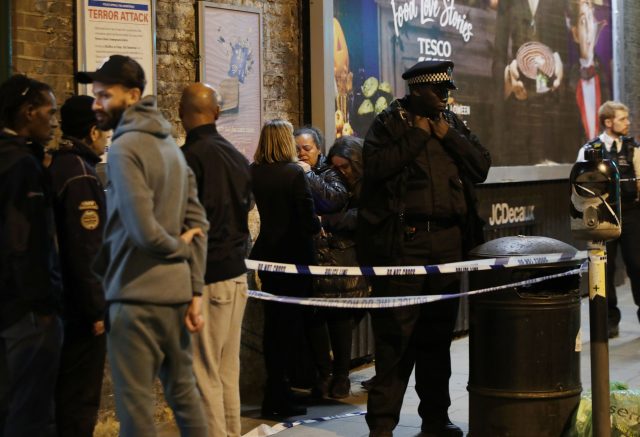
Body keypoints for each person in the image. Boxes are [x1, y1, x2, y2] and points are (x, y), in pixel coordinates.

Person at [75, 54, 210, 436]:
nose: (96, 104)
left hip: (134, 298)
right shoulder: (170, 146)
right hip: (175, 296)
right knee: (186, 398)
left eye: (104, 95)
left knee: (135, 411)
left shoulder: (124, 147)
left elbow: (143, 231)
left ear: (133, 95)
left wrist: (179, 248)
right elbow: (198, 223)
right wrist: (195, 290)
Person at [357, 60, 491, 437]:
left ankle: (435, 420)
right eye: (439, 91)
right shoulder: (390, 123)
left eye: (448, 90)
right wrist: (416, 136)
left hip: (449, 244)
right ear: (417, 91)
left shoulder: (452, 123)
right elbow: (376, 169)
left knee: (437, 338)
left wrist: (448, 135)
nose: (446, 96)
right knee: (396, 340)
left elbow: (482, 166)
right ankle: (382, 427)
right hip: (405, 245)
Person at [179, 83, 252, 437]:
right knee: (227, 370)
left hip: (206, 277)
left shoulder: (187, 158)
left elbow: (187, 222)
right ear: (218, 114)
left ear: (181, 114)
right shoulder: (236, 156)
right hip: (238, 274)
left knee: (203, 373)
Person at [0, 74, 63, 436]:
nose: (53, 121)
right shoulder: (22, 167)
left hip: (9, 306)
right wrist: (44, 304)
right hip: (27, 312)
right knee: (32, 414)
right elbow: (26, 243)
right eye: (48, 112)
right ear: (27, 112)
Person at [250, 119, 321, 418]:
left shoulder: (255, 171)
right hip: (294, 257)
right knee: (290, 329)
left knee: (273, 328)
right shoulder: (294, 173)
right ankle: (280, 396)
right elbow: (307, 219)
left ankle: (275, 392)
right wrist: (318, 224)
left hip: (267, 255)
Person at [49, 94, 110, 437]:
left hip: (62, 305)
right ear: (91, 131)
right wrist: (97, 309)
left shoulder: (59, 166)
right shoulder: (80, 176)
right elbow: (86, 249)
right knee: (80, 399)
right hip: (79, 310)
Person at [308, 135, 370, 399]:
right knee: (323, 317)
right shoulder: (328, 178)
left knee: (343, 319)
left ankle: (341, 375)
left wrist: (330, 220)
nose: (341, 172)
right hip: (327, 259)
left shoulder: (369, 185)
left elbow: (364, 218)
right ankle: (327, 375)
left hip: (355, 259)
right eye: (337, 167)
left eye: (346, 167)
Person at [293, 126, 350, 398]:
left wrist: (307, 175)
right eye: (297, 149)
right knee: (313, 316)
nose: (301, 153)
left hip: (334, 257)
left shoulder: (330, 173)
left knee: (338, 317)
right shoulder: (297, 172)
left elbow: (332, 200)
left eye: (307, 148)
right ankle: (324, 374)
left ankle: (341, 375)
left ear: (319, 150)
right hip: (308, 256)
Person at [577, 101, 640, 338]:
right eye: (623, 119)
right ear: (608, 122)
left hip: (632, 214)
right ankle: (609, 321)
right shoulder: (589, 149)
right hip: (602, 216)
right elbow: (581, 184)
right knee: (604, 268)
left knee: (638, 265)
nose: (628, 123)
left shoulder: (634, 148)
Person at [567, 0, 610, 142]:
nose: (589, 29)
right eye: (583, 22)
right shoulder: (568, 80)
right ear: (575, 34)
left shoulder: (607, 75)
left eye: (591, 20)